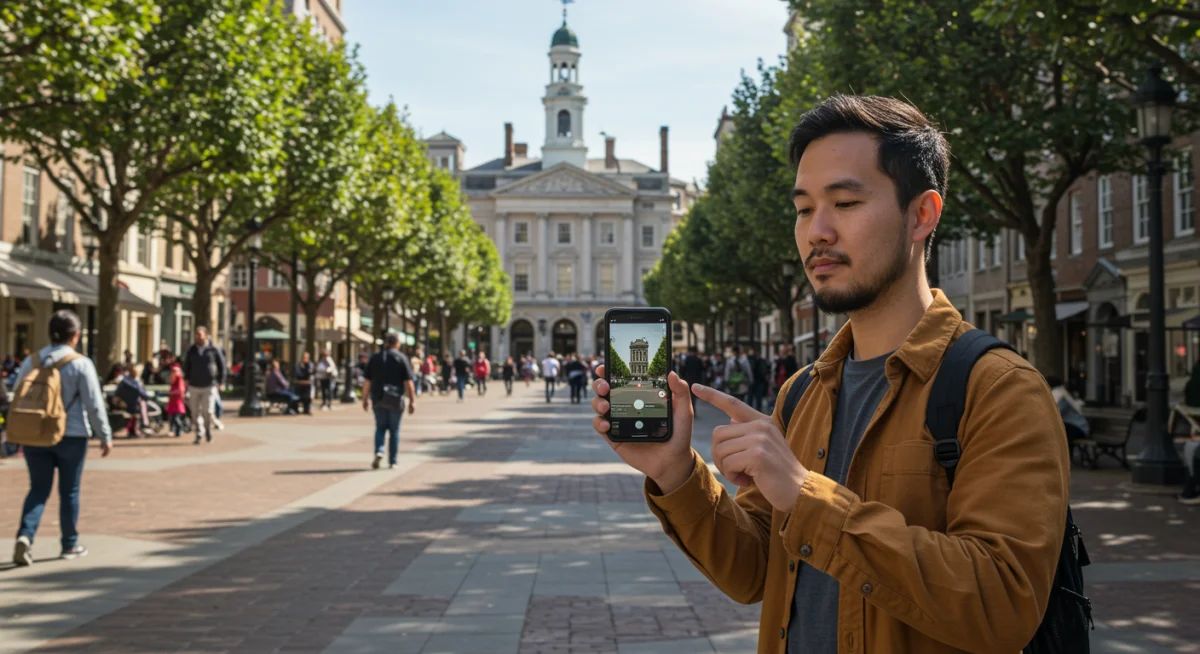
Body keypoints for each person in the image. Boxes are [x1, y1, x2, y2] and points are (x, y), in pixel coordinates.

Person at [588, 95, 1070, 653]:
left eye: (844, 202)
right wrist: (677, 473)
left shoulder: (1000, 390)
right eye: (803, 209)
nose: (817, 231)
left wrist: (805, 495)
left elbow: (1003, 604)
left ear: (922, 215)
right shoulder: (802, 394)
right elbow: (754, 571)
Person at [12, 310, 113, 566]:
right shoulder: (80, 363)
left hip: (36, 434)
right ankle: (69, 544)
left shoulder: (32, 361)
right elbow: (94, 403)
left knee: (38, 489)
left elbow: (18, 395)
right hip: (72, 435)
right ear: (75, 336)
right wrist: (105, 435)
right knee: (69, 491)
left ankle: (25, 535)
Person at [362, 333, 416, 470]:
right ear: (397, 343)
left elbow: (367, 381)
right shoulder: (401, 358)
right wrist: (412, 401)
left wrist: (364, 398)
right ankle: (393, 460)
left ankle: (379, 450)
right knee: (394, 430)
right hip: (396, 399)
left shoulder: (375, 358)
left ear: (386, 342)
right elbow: (409, 382)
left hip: (378, 397)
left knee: (380, 428)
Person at [181, 326, 226, 445]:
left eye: (200, 335)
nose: (197, 337)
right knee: (195, 412)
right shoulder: (191, 350)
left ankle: (208, 431)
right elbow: (186, 365)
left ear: (206, 336)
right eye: (196, 335)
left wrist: (221, 382)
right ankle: (199, 433)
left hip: (209, 385)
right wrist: (186, 380)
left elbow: (222, 366)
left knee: (208, 411)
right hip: (194, 385)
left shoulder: (213, 350)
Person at [1046, 375, 1089, 445]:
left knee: (1056, 432)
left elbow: (1054, 415)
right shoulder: (1063, 393)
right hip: (1077, 426)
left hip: (1078, 427)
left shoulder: (1060, 397)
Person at [115, 365, 153, 438]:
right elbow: (138, 390)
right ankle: (134, 430)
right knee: (135, 416)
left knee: (135, 416)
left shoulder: (131, 380)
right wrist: (145, 396)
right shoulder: (128, 381)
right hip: (131, 403)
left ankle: (134, 431)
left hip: (132, 402)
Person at [166, 362, 187, 438]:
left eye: (174, 371)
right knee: (172, 418)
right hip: (173, 402)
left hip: (178, 402)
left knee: (176, 418)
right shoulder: (173, 380)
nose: (173, 373)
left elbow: (181, 390)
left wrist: (172, 392)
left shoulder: (179, 379)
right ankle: (175, 431)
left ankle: (180, 430)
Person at [746, 347, 770, 412]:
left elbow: (764, 370)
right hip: (756, 381)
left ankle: (754, 411)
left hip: (758, 381)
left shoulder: (751, 360)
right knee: (753, 398)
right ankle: (751, 411)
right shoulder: (751, 360)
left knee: (756, 398)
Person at [293, 351, 315, 415]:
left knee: (308, 397)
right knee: (297, 397)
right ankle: (296, 409)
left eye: (307, 357)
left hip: (307, 387)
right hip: (299, 386)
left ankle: (306, 410)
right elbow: (298, 375)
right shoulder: (297, 365)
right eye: (304, 357)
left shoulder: (309, 365)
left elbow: (311, 374)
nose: (306, 359)